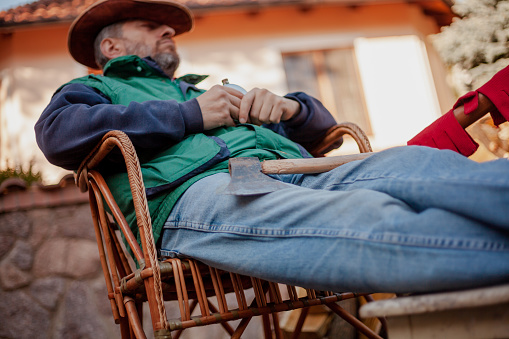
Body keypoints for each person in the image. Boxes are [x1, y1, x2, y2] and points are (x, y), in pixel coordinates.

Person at [35, 0, 509, 294]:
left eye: (169, 27)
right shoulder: (94, 92)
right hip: (196, 196)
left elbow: (322, 129)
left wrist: (289, 109)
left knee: (418, 164)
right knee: (360, 216)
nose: (168, 31)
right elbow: (58, 134)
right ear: (113, 48)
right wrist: (190, 116)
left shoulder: (203, 88)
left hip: (288, 170)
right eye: (150, 24)